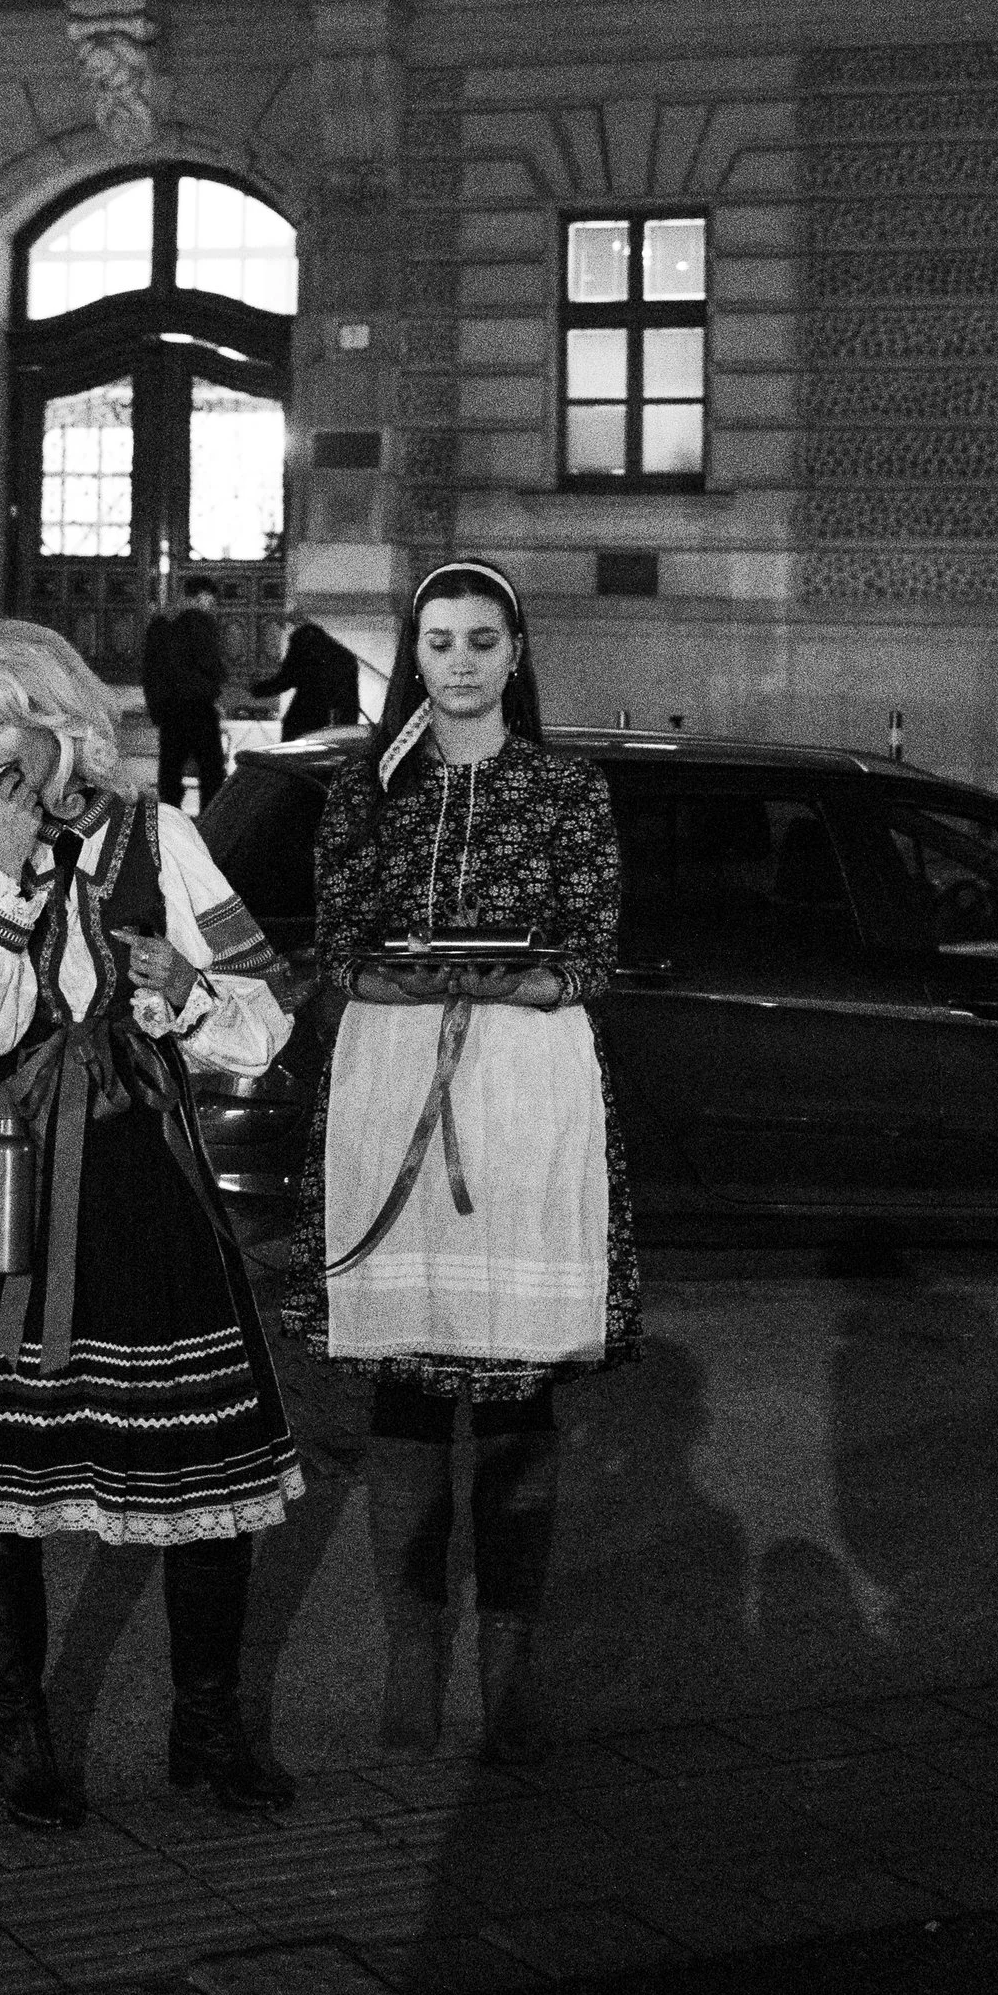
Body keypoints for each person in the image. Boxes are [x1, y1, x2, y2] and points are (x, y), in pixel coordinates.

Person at [0, 619, 304, 1825]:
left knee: (196, 1446)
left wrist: (185, 992)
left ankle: (204, 1724)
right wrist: (0, 877)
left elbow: (264, 1018)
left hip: (140, 1161)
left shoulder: (165, 836)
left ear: (53, 708)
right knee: (3, 1456)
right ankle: (22, 1738)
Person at [278, 561, 635, 1765]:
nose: (463, 660)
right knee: (410, 1379)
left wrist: (506, 982)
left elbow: (588, 951)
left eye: (483, 639)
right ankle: (412, 1658)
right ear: (412, 656)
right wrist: (405, 973)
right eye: (439, 641)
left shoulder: (563, 789)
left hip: (525, 1084)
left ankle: (511, 1673)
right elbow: (336, 942)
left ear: (517, 651)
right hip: (392, 1077)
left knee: (517, 1382)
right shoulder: (366, 790)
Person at [140, 572, 229, 811]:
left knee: (170, 771)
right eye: (210, 603)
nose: (211, 609)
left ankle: (169, 821)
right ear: (201, 597)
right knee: (211, 771)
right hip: (198, 708)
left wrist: (157, 709)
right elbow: (210, 663)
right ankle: (210, 824)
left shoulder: (160, 625)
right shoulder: (199, 621)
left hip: (170, 711)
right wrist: (217, 685)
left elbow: (151, 671)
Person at [249, 615, 363, 742]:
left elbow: (284, 681)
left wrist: (256, 690)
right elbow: (351, 701)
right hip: (334, 720)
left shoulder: (303, 649)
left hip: (302, 718)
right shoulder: (345, 657)